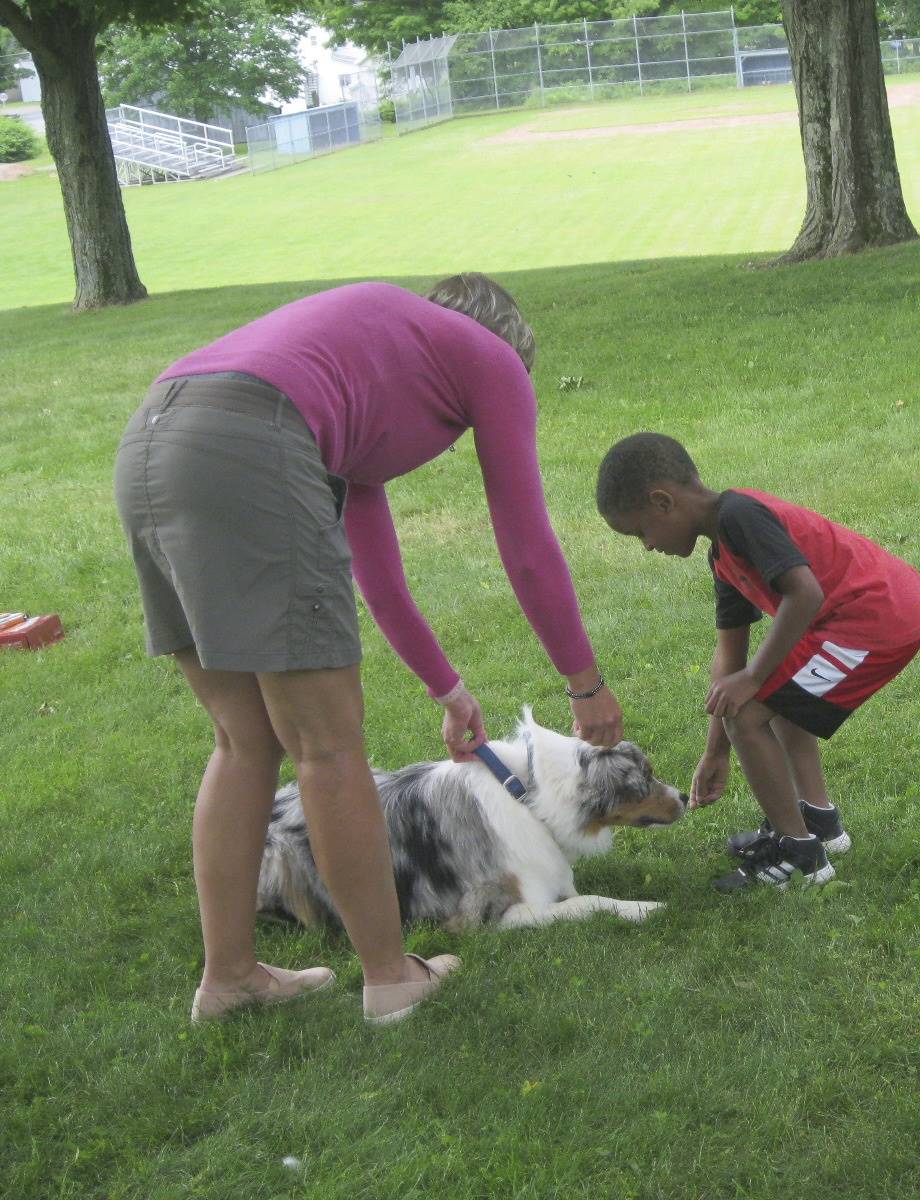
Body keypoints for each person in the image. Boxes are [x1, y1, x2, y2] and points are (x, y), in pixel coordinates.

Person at [114, 274, 622, 1025]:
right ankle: (390, 979)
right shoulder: (492, 357)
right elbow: (527, 546)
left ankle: (229, 980)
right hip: (254, 442)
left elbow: (378, 578)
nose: (452, 443)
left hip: (155, 440)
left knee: (242, 739)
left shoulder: (368, 371)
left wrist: (448, 691)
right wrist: (585, 684)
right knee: (327, 747)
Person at [595, 433, 920, 892]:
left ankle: (800, 854)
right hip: (844, 620)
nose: (647, 546)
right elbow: (729, 658)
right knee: (773, 705)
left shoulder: (739, 516)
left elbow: (805, 593)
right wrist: (715, 750)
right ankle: (819, 823)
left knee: (752, 715)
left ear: (662, 502)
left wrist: (754, 679)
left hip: (875, 620)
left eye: (640, 533)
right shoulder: (723, 554)